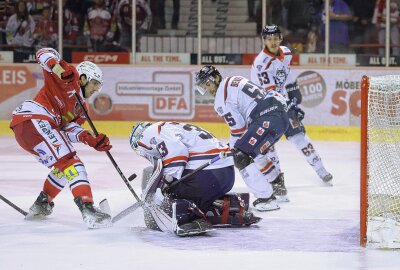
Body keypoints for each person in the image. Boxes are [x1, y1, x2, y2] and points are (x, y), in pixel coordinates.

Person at [9, 48, 112, 229]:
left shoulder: (82, 109)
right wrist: (58, 70)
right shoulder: (66, 77)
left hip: (30, 129)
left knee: (62, 168)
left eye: (99, 86)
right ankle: (88, 209)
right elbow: (43, 53)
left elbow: (69, 129)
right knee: (72, 163)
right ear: (84, 78)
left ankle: (42, 203)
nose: (97, 89)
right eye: (95, 83)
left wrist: (91, 139)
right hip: (34, 118)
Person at [129, 121, 260, 236]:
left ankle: (190, 217)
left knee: (167, 193)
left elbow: (177, 152)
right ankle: (223, 207)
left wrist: (161, 189)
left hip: (206, 177)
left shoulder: (147, 135)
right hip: (226, 176)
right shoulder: (171, 127)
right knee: (173, 183)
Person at [251, 24, 333, 200]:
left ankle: (321, 170)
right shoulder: (261, 64)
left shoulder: (286, 52)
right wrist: (290, 107)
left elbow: (286, 76)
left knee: (299, 137)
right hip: (265, 108)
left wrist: (294, 94)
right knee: (268, 147)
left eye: (275, 38)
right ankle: (277, 184)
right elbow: (270, 94)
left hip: (282, 103)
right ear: (263, 40)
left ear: (280, 38)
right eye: (268, 39)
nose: (272, 42)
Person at [195, 65, 289, 211]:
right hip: (278, 116)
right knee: (251, 151)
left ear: (217, 78)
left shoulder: (221, 98)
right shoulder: (234, 79)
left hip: (267, 117)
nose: (208, 89)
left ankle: (266, 198)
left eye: (208, 84)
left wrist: (230, 149)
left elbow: (238, 129)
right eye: (204, 86)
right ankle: (277, 186)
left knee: (240, 156)